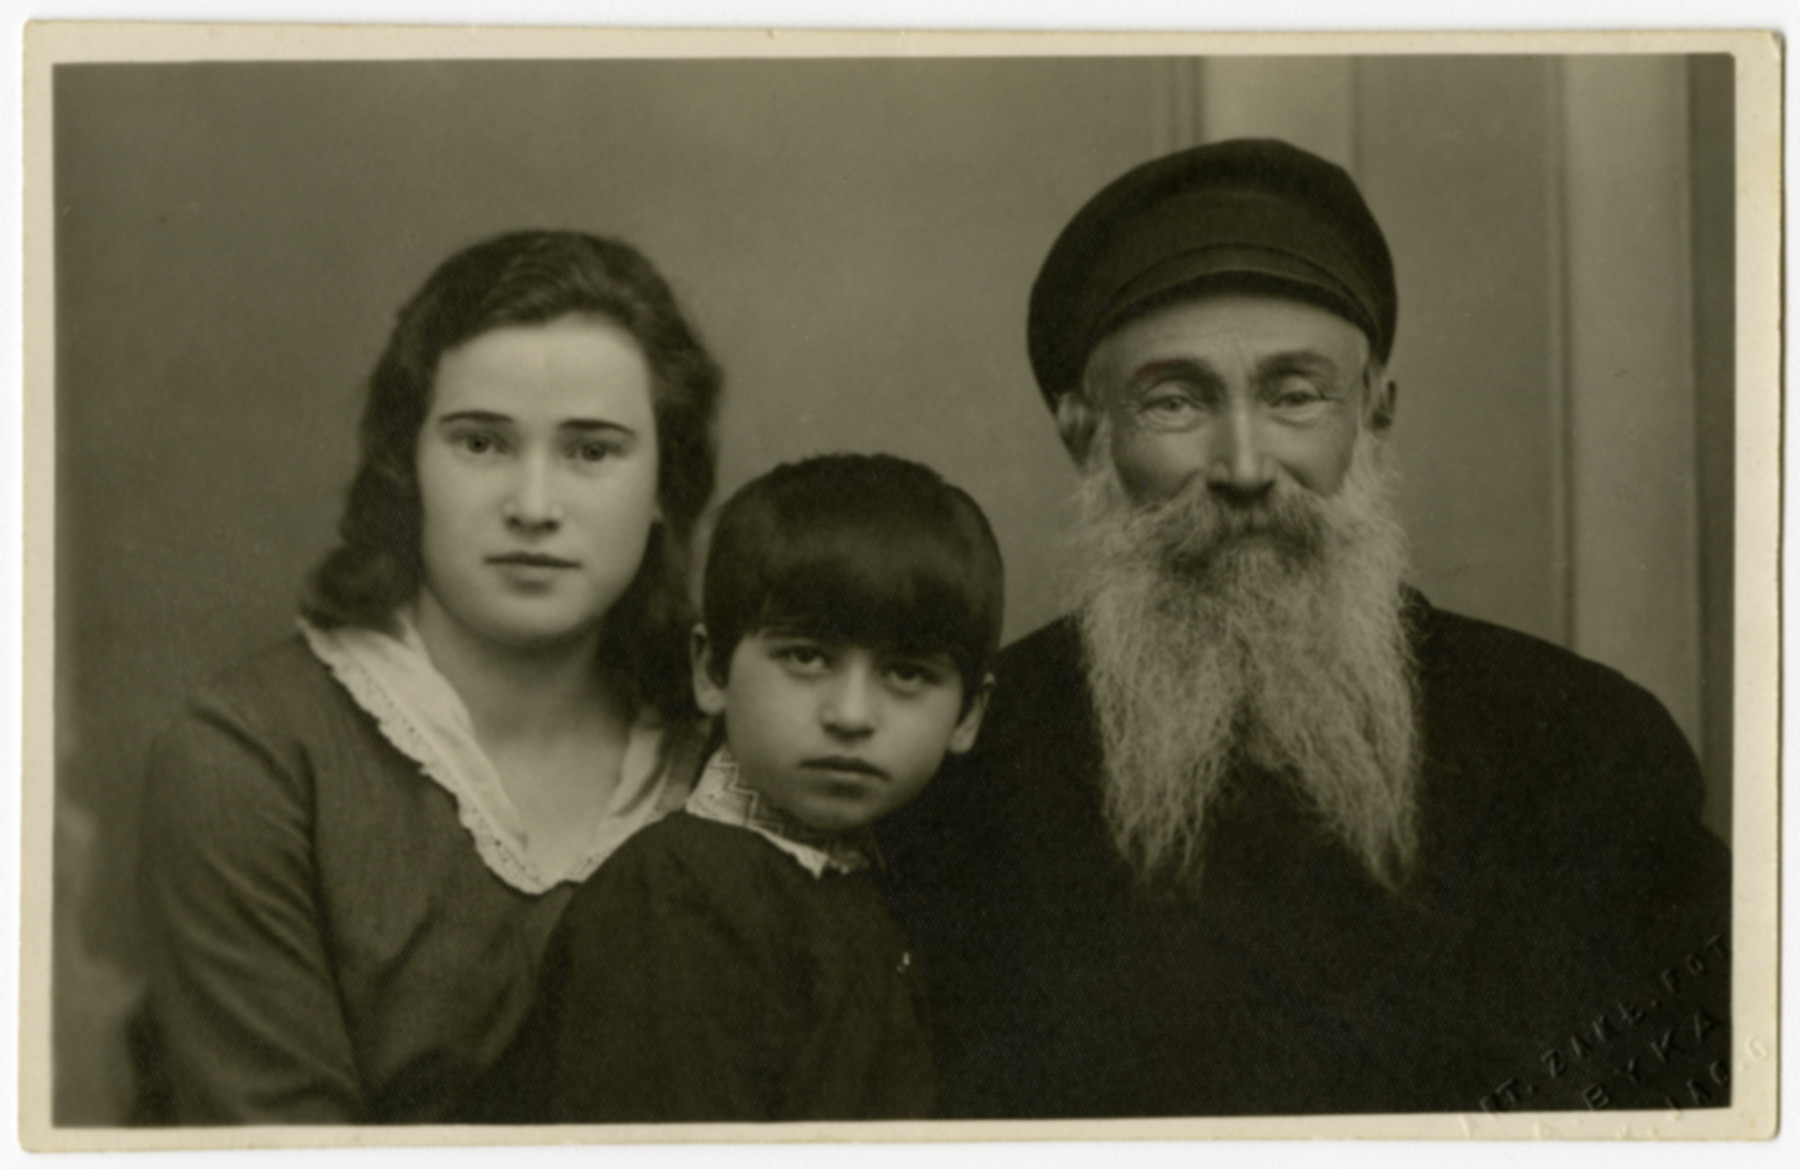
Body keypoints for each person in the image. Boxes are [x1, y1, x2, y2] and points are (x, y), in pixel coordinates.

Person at [879, 139, 1733, 1118]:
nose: (1244, 464)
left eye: (1294, 395)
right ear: (1088, 433)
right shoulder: (966, 771)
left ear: (1373, 413)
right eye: (1175, 400)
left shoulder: (1586, 748)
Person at [136, 230, 723, 1124]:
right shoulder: (248, 762)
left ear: (664, 486)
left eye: (592, 451)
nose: (533, 506)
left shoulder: (732, 756)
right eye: (481, 444)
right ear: (406, 466)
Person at [525, 454, 1003, 1123]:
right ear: (713, 670)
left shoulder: (870, 882)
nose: (851, 714)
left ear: (969, 714)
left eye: (906, 672)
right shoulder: (674, 894)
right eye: (806, 657)